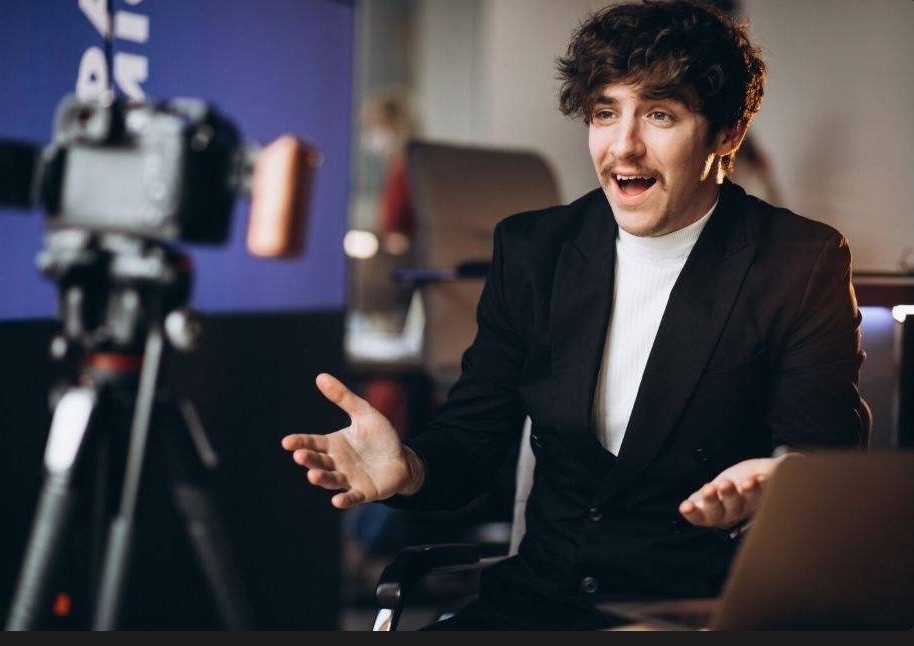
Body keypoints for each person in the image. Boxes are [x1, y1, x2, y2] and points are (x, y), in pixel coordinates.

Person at [283, 0, 868, 630]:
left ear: (726, 134)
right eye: (605, 113)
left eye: (661, 115)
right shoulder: (535, 250)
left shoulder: (800, 260)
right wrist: (410, 466)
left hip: (699, 611)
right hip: (541, 600)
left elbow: (825, 455)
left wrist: (781, 483)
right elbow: (472, 442)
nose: (624, 146)